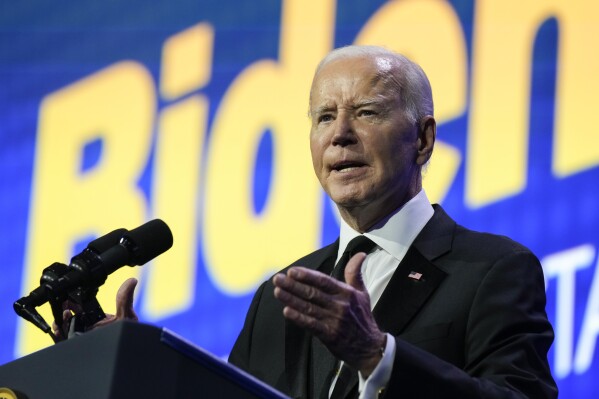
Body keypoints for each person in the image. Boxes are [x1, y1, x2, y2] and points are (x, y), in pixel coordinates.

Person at [57, 45, 557, 398]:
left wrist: (378, 356)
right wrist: (140, 368)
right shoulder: (277, 300)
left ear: (422, 140)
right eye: (323, 117)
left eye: (366, 112)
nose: (340, 135)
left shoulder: (492, 269)